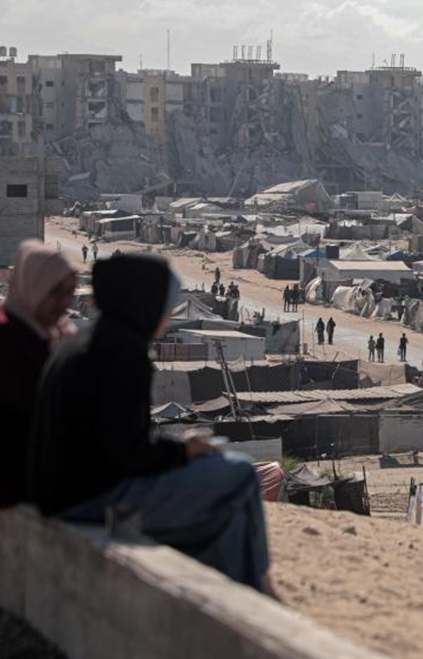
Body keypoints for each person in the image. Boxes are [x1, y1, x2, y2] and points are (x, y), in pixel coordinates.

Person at [27, 254, 274, 594]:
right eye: (166, 304)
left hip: (62, 490)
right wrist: (183, 450)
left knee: (227, 515)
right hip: (91, 497)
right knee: (241, 474)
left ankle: (237, 595)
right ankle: (261, 587)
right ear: (146, 302)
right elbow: (128, 455)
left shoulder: (82, 341)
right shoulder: (125, 352)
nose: (170, 314)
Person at [0, 241, 78, 508]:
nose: (65, 303)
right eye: (56, 292)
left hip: (32, 470)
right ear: (33, 286)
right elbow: (40, 407)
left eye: (70, 293)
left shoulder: (44, 332)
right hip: (7, 477)